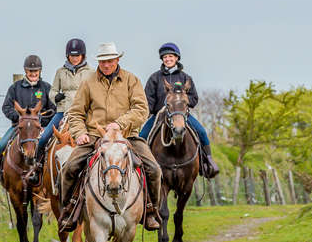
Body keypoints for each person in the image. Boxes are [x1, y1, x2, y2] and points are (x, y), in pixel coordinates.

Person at [59, 42, 162, 231]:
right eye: (103, 61)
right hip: (94, 137)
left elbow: (141, 109)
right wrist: (80, 133)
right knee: (70, 167)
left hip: (127, 137)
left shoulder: (132, 80)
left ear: (118, 59)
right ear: (98, 61)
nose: (107, 65)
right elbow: (75, 113)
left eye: (110, 60)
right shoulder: (88, 82)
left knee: (154, 169)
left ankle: (150, 210)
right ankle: (68, 209)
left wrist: (120, 124)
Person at [140, 42, 219, 178]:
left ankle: (208, 162)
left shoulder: (186, 78)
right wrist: (151, 111)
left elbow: (194, 98)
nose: (168, 59)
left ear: (176, 58)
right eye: (165, 57)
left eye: (170, 56)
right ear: (162, 59)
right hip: (160, 115)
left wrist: (183, 104)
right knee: (142, 136)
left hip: (181, 115)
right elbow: (149, 98)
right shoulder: (155, 78)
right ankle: (139, 167)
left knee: (201, 131)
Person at [0, 55, 56, 188]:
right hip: (19, 127)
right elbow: (6, 107)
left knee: (52, 148)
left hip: (40, 128)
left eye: (36, 71)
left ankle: (53, 178)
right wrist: (19, 118)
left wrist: (40, 121)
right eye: (30, 71)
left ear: (40, 71)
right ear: (25, 71)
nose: (33, 73)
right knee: (0, 146)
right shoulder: (15, 88)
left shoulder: (46, 88)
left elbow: (53, 108)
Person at [28, 38, 94, 184]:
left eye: (77, 55)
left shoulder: (91, 72)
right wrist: (56, 97)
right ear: (67, 56)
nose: (75, 58)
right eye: (72, 55)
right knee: (44, 138)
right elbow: (52, 92)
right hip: (63, 111)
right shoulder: (60, 72)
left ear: (83, 55)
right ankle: (37, 169)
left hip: (84, 113)